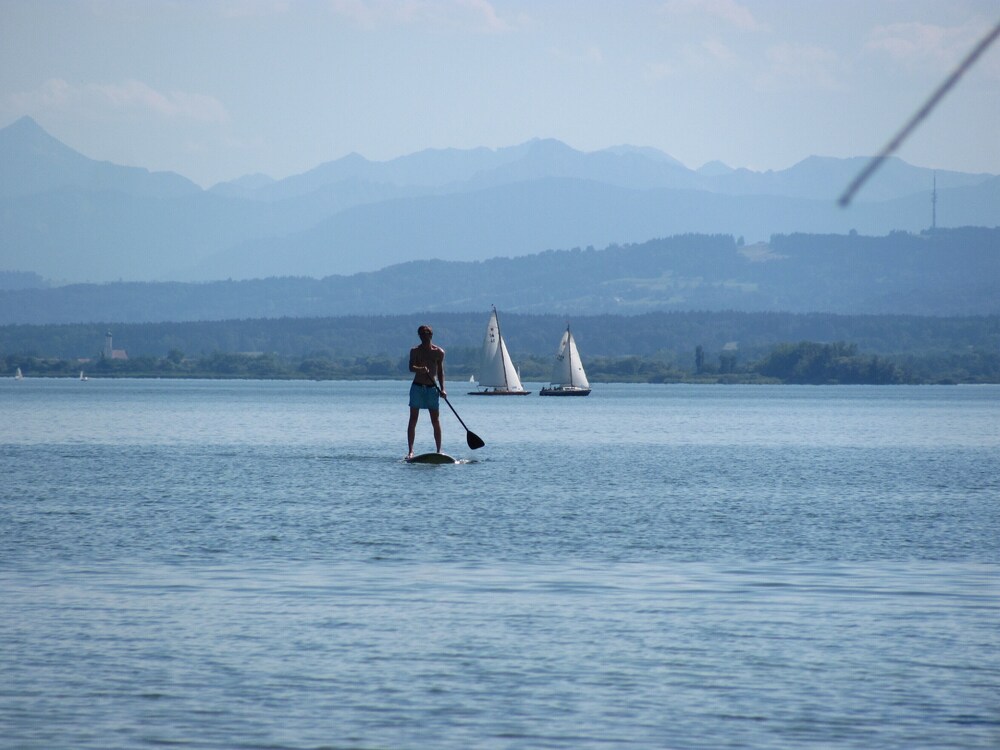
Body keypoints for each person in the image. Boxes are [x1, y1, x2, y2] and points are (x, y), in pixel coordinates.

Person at [407, 324, 446, 458]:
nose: (424, 337)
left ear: (431, 335)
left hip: (432, 389)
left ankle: (439, 450)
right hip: (417, 387)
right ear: (419, 336)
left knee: (435, 420)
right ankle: (411, 451)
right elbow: (411, 367)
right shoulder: (415, 351)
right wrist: (420, 369)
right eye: (422, 335)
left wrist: (443, 389)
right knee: (413, 419)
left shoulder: (439, 352)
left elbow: (440, 372)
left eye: (427, 334)